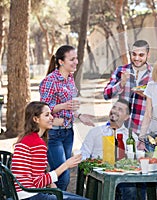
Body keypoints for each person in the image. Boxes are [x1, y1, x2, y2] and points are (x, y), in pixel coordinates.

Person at [39, 45, 94, 191]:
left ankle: (53, 194)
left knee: (64, 174)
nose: (76, 62)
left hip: (68, 133)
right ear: (61, 62)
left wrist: (80, 116)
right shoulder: (50, 81)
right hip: (54, 134)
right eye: (72, 59)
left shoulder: (70, 79)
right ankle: (52, 195)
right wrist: (63, 106)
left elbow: (70, 107)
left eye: (76, 58)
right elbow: (43, 109)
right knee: (63, 176)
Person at [11, 101, 88, 200]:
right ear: (36, 119)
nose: (52, 117)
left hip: (24, 194)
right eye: (47, 115)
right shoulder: (36, 144)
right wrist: (66, 165)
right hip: (32, 195)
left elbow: (35, 174)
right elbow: (38, 182)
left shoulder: (27, 139)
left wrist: (52, 184)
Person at [80, 98, 139, 200]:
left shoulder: (131, 137)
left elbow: (135, 158)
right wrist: (92, 168)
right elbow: (83, 154)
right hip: (99, 175)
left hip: (123, 177)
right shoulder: (95, 132)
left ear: (127, 117)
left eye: (120, 110)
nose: (115, 111)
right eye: (114, 107)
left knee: (130, 188)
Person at [103, 40, 152, 135]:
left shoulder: (154, 76)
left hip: (141, 131)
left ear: (148, 55)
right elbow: (106, 95)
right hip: (120, 130)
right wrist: (121, 83)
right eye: (134, 54)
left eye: (141, 55)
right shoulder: (121, 70)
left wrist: (147, 96)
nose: (137, 58)